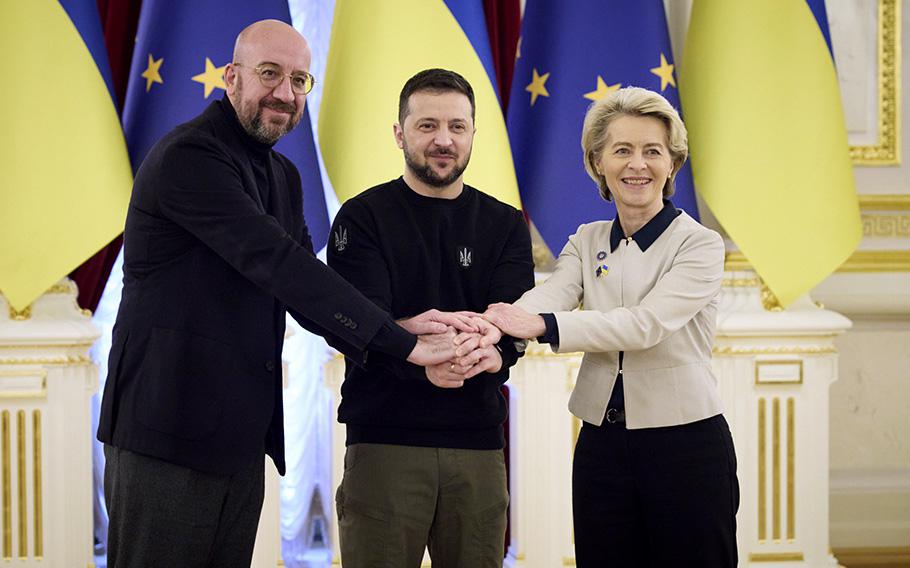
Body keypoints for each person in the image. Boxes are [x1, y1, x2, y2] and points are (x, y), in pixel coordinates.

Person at [97, 21, 460, 568]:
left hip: (238, 441)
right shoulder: (189, 158)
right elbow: (280, 265)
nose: (285, 94)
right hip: (164, 434)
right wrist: (399, 343)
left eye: (299, 80)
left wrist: (400, 329)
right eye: (269, 74)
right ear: (231, 77)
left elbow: (310, 290)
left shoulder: (284, 175)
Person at [484, 86, 738, 567]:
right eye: (622, 150)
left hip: (687, 446)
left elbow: (644, 326)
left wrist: (538, 323)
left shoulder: (700, 244)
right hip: (602, 444)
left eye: (652, 152)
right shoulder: (587, 240)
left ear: (672, 163)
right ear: (598, 161)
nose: (637, 164)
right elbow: (550, 295)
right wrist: (494, 325)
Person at [327, 68, 534, 568]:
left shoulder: (505, 224)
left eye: (457, 127)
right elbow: (361, 322)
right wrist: (423, 353)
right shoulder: (361, 217)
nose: (444, 140)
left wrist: (483, 351)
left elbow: (510, 325)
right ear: (400, 133)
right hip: (384, 442)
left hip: (479, 448)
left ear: (472, 134)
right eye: (427, 126)